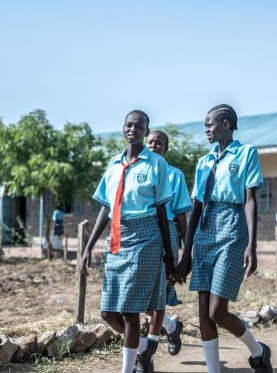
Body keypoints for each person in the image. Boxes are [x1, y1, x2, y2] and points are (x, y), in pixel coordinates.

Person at [175, 104, 272, 373]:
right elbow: (195, 207)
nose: (206, 129)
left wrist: (252, 244)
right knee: (203, 309)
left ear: (226, 124)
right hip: (206, 227)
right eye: (206, 125)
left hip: (233, 227)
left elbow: (251, 201)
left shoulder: (246, 153)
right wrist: (186, 253)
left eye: (210, 124)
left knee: (218, 310)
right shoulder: (204, 162)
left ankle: (259, 351)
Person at [80, 110, 175, 373]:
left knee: (130, 311)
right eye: (129, 125)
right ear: (124, 128)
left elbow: (161, 212)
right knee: (108, 313)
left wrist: (169, 255)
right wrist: (89, 247)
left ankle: (127, 369)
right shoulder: (113, 164)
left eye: (139, 126)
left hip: (146, 237)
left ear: (146, 131)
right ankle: (143, 349)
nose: (133, 129)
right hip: (117, 239)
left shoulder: (156, 163)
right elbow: (105, 209)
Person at [144, 130, 192, 360]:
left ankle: (148, 353)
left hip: (168, 234)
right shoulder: (138, 171)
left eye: (159, 143)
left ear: (166, 148)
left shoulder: (175, 175)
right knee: (140, 297)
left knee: (160, 292)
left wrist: (185, 252)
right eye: (150, 141)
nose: (154, 145)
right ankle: (172, 326)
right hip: (142, 234)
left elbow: (182, 214)